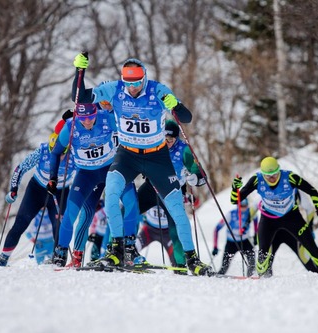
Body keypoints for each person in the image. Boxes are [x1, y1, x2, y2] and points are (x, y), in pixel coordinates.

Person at [70, 53, 212, 275]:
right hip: (127, 155)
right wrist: (80, 72)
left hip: (157, 157)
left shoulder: (157, 90)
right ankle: (117, 249)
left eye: (137, 82)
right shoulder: (114, 89)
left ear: (144, 77)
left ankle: (192, 259)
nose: (133, 87)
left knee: (177, 208)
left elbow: (186, 118)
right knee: (112, 195)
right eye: (129, 83)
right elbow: (80, 98)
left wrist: (175, 104)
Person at [48, 102, 139, 268]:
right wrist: (52, 178)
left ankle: (129, 249)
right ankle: (66, 254)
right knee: (75, 212)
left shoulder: (107, 118)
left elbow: (131, 132)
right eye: (83, 118)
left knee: (131, 200)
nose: (87, 121)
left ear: (96, 112)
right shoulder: (70, 127)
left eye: (91, 117)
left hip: (112, 168)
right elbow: (55, 153)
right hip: (86, 174)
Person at [0, 112, 76, 266]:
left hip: (60, 193)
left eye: (61, 153)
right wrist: (13, 189)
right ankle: (3, 259)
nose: (57, 157)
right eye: (54, 153)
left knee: (59, 226)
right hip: (37, 190)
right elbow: (21, 168)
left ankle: (58, 259)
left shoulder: (74, 155)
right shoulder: (43, 150)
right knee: (21, 222)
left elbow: (85, 174)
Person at [231, 156, 318, 277]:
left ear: (279, 170)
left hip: (291, 217)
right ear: (263, 174)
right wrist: (235, 189)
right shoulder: (257, 180)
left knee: (313, 249)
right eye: (268, 176)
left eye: (275, 174)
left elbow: (312, 191)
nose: (272, 178)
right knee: (262, 255)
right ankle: (263, 281)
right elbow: (236, 200)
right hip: (268, 219)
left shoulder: (289, 178)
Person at [136, 119, 206, 272]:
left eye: (171, 139)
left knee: (175, 228)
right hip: (152, 187)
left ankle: (180, 263)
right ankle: (123, 251)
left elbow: (197, 169)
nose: (167, 143)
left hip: (173, 190)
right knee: (129, 210)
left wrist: (197, 177)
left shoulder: (183, 149)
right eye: (164, 139)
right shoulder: (153, 143)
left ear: (176, 138)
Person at [212, 198, 258, 276]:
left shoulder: (250, 213)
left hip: (244, 241)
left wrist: (255, 237)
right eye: (241, 206)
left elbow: (256, 223)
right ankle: (217, 277)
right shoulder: (230, 214)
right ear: (238, 206)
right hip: (231, 243)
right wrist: (215, 247)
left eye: (245, 206)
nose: (243, 208)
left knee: (252, 262)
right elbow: (216, 229)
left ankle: (250, 278)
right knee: (224, 267)